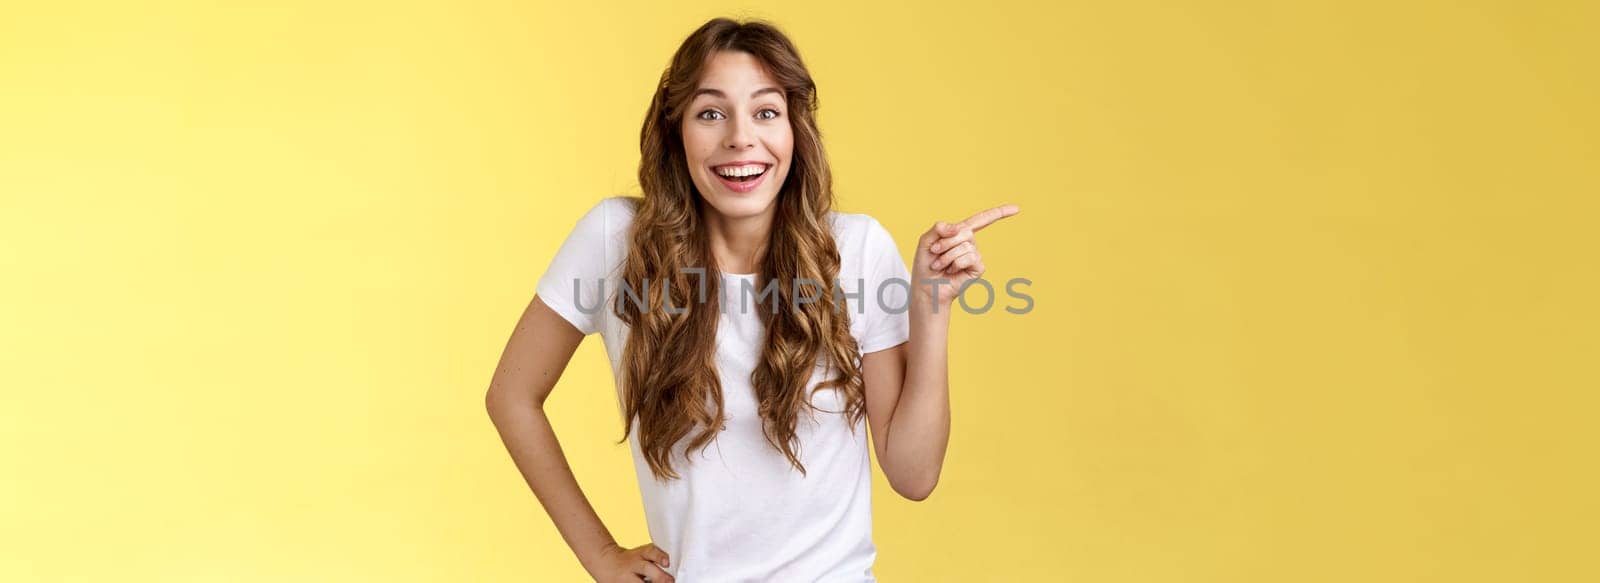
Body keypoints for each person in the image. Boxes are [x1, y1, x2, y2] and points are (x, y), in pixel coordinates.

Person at [485, 17, 1018, 582]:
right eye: (711, 113)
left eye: (766, 112)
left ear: (795, 132)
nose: (741, 137)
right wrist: (599, 555)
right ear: (676, 132)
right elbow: (512, 395)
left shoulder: (857, 248)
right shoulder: (614, 241)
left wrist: (931, 307)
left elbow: (914, 475)